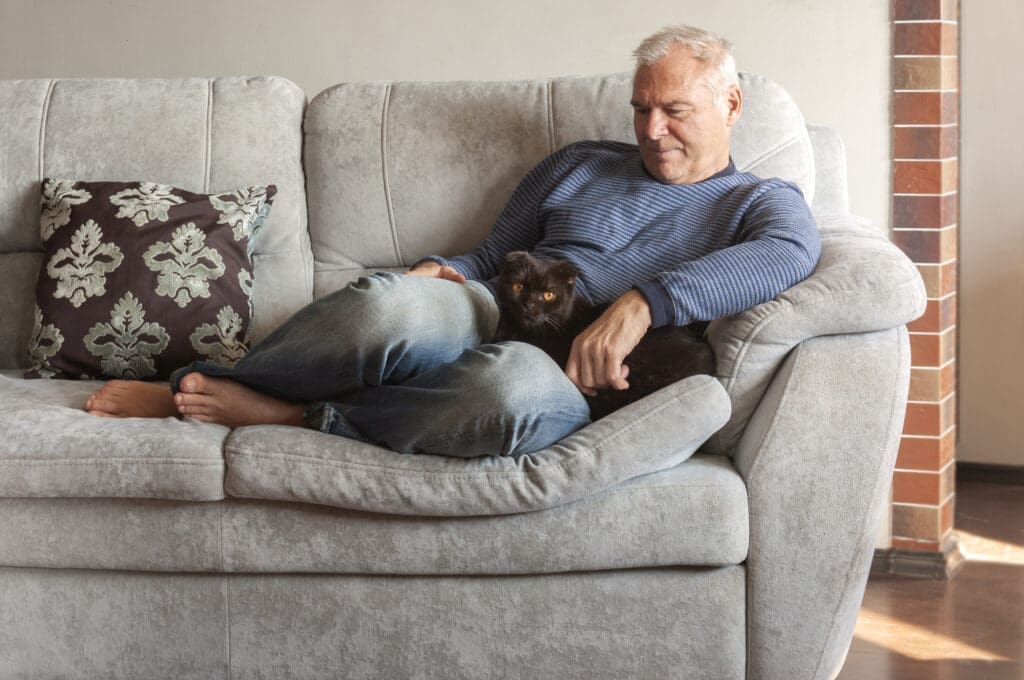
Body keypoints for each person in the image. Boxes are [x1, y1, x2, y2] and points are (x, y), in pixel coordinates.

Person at [84, 24, 821, 458]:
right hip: (495, 306)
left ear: (731, 103)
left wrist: (639, 304)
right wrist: (443, 270)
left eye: (676, 111)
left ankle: (296, 418)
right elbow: (492, 253)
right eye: (642, 110)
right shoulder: (577, 164)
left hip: (570, 369)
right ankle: (211, 382)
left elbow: (791, 254)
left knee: (505, 393)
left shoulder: (758, 201)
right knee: (388, 307)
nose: (653, 130)